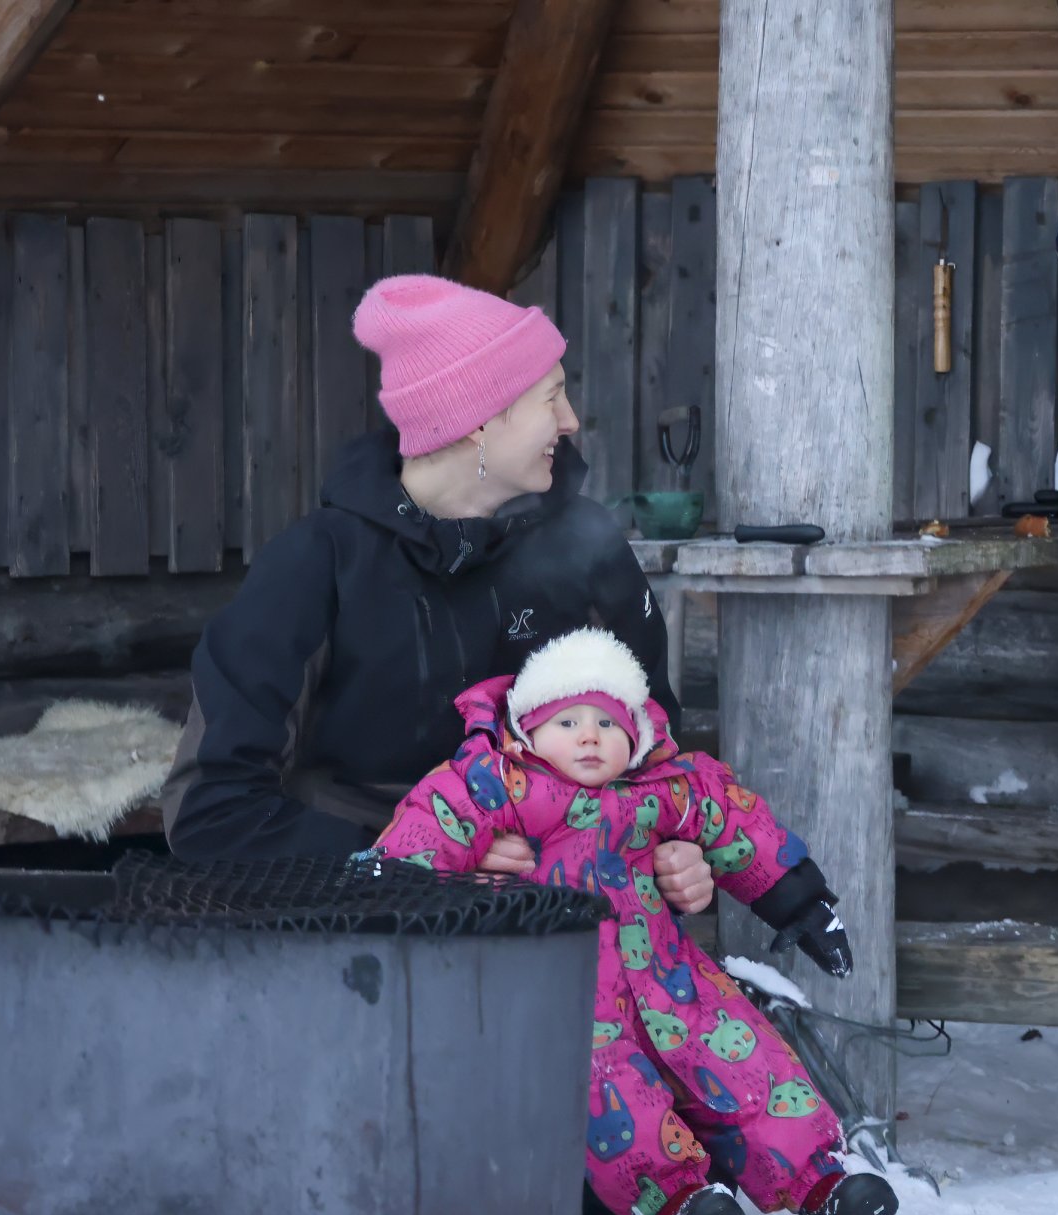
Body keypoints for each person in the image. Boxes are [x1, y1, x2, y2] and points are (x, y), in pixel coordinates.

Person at [161, 274, 715, 913]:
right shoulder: (318, 565)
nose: (569, 421)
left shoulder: (589, 549)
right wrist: (416, 866)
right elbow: (211, 810)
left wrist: (675, 848)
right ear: (480, 419)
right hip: (361, 946)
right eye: (553, 397)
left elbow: (656, 757)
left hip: (572, 933)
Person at [363, 626, 900, 1215]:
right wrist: (380, 903)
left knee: (753, 1068)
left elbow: (736, 823)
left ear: (635, 736)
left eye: (605, 723)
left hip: (676, 984)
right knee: (613, 1100)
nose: (588, 735)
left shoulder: (663, 788)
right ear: (528, 731)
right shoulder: (501, 784)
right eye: (567, 719)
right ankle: (677, 1202)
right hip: (569, 999)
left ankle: (824, 1185)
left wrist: (799, 901)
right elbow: (427, 828)